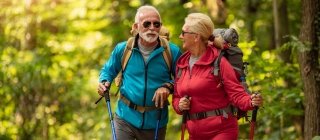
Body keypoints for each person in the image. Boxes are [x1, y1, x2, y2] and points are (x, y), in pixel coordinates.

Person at [172, 13, 263, 140]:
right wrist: (180, 105)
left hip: (222, 131)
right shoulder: (182, 63)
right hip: (194, 134)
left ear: (196, 36)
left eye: (183, 32)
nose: (180, 36)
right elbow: (176, 97)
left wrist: (251, 101)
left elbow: (236, 94)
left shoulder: (218, 62)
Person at [98, 5, 181, 140]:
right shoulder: (123, 49)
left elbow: (183, 79)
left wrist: (168, 86)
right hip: (125, 118)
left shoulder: (171, 51)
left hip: (156, 120)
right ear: (136, 27)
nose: (152, 28)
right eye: (147, 24)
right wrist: (104, 82)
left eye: (156, 24)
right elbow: (108, 70)